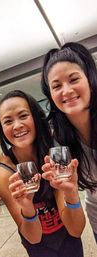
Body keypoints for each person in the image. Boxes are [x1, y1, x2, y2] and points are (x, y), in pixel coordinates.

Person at [0, 89, 85, 257]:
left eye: (23, 116)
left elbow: (76, 230)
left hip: (67, 238)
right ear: (1, 128)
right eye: (8, 121)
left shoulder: (55, 155)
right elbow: (33, 238)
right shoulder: (4, 173)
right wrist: (27, 207)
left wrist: (71, 192)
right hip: (39, 248)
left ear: (36, 117)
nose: (17, 125)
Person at [41, 42, 97, 243]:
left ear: (89, 80)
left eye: (74, 79)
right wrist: (70, 191)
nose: (66, 90)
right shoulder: (57, 141)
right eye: (56, 86)